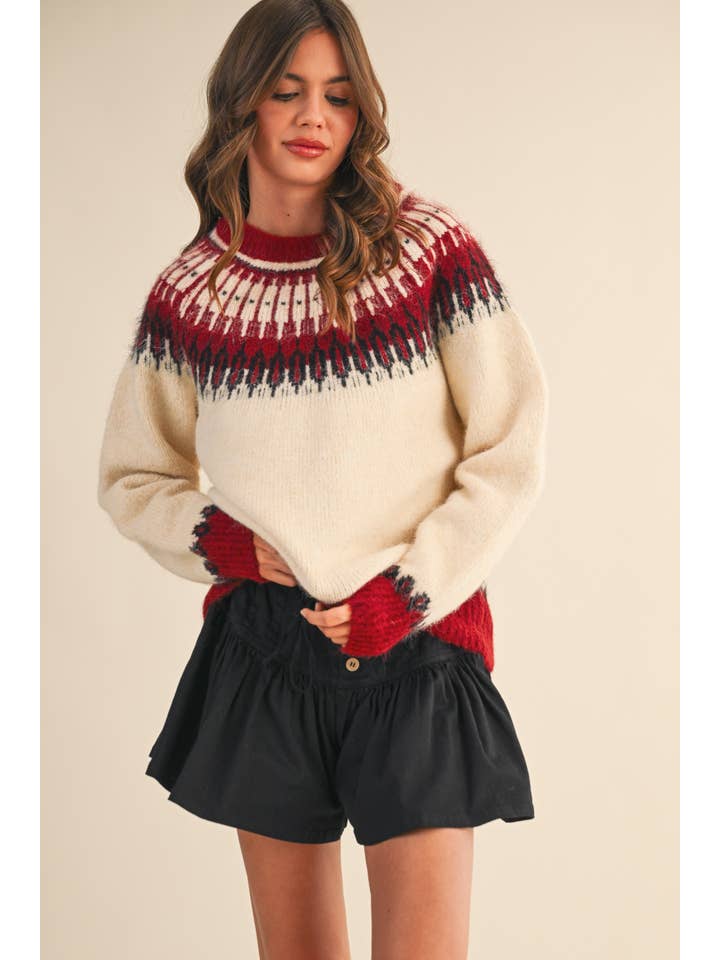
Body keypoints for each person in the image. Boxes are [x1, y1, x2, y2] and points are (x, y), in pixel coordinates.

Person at [96, 1, 549, 957]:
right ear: (242, 105)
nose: (314, 117)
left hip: (419, 649)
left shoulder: (428, 251)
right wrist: (221, 541)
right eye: (287, 91)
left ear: (360, 114)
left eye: (339, 97)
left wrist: (412, 590)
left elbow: (509, 448)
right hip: (266, 658)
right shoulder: (193, 292)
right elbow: (134, 474)